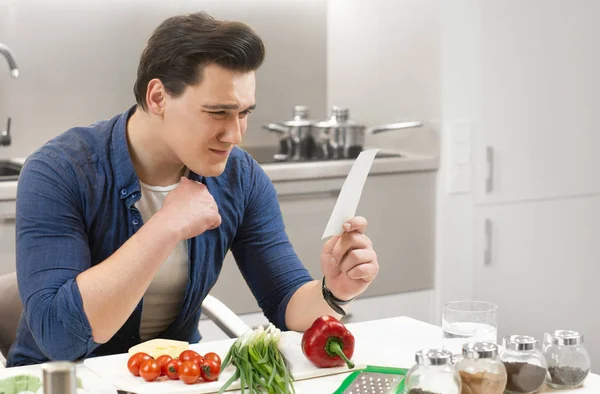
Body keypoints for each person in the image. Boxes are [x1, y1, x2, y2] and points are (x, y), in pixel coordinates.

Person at [6, 11, 379, 367]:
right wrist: (165, 227)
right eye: (217, 112)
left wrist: (335, 290)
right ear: (157, 98)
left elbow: (286, 302)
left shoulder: (241, 177)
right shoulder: (58, 172)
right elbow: (59, 338)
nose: (234, 134)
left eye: (244, 113)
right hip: (63, 379)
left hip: (174, 377)